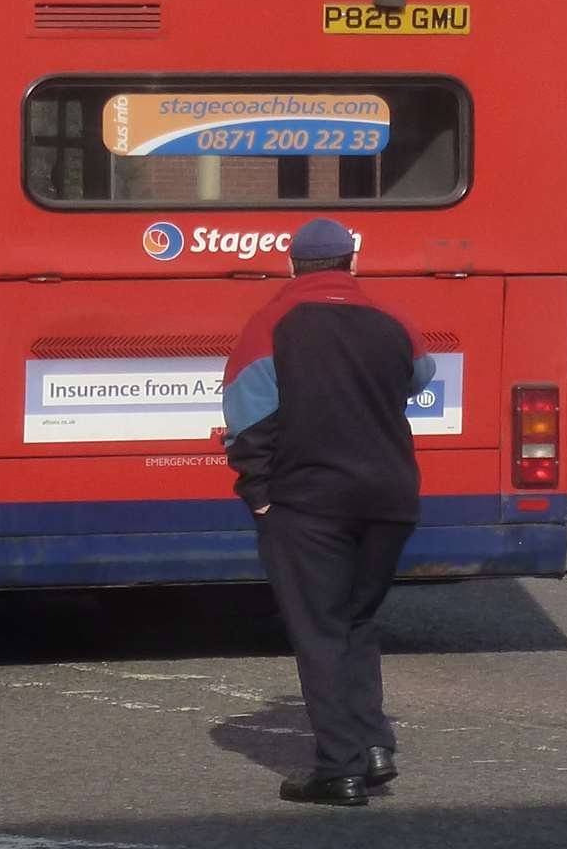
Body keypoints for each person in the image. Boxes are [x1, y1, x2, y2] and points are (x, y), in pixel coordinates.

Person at [221, 217, 435, 807]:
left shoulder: (272, 323)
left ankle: (337, 769)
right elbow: (422, 374)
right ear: (352, 264)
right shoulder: (391, 320)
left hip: (309, 500)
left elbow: (246, 416)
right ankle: (373, 746)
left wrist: (258, 492)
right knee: (357, 621)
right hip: (390, 498)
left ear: (293, 266)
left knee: (317, 630)